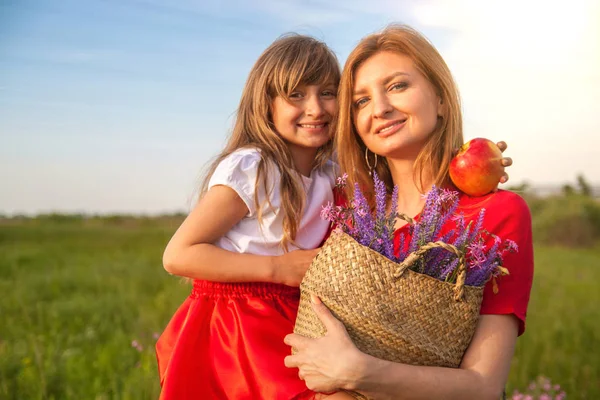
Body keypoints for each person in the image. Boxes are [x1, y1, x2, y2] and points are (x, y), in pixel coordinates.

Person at [284, 25, 534, 400]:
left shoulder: (495, 212)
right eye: (360, 101)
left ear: (441, 99)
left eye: (397, 86)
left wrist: (358, 372)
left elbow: (483, 386)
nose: (380, 108)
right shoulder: (345, 208)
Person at [155, 34, 351, 400]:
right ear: (267, 105)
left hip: (296, 315)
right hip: (240, 324)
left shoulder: (330, 172)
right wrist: (278, 268)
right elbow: (178, 255)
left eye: (327, 92)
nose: (316, 108)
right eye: (296, 95)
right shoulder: (255, 167)